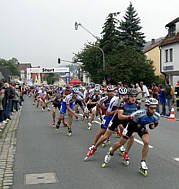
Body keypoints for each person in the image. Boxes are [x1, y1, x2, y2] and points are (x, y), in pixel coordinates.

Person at [102, 98, 160, 176]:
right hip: (131, 126)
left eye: (155, 108)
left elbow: (154, 124)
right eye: (151, 108)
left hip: (141, 127)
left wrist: (152, 126)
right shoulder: (139, 113)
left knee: (146, 142)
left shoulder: (156, 115)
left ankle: (143, 162)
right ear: (147, 107)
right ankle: (110, 152)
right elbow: (129, 120)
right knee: (121, 143)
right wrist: (125, 127)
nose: (153, 110)